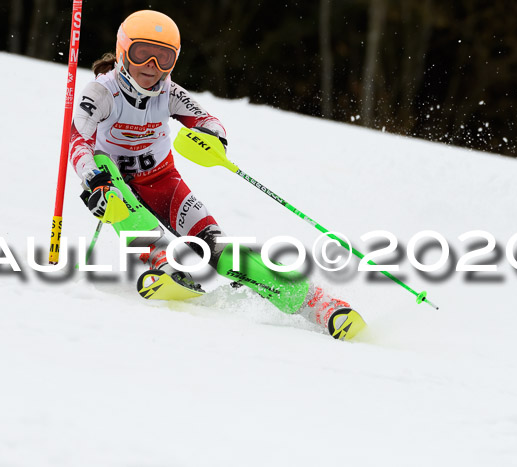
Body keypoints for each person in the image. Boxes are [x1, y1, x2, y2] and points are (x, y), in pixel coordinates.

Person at [69, 9, 364, 340]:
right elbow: (78, 140)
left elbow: (207, 121)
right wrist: (91, 179)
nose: (152, 66)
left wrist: (213, 139)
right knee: (111, 191)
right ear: (124, 51)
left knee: (218, 250)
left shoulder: (169, 92)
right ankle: (163, 261)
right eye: (142, 53)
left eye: (164, 58)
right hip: (114, 181)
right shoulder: (101, 91)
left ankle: (318, 304)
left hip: (162, 181)